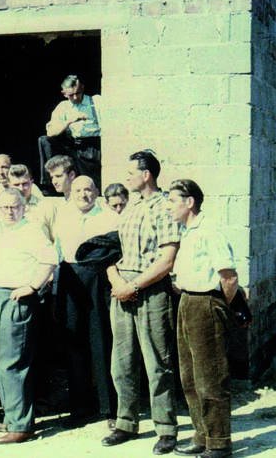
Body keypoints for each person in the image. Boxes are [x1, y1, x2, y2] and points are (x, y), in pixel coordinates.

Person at [102, 150, 181, 455]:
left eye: (131, 172)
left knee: (157, 363)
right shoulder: (130, 209)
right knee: (121, 362)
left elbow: (167, 260)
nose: (127, 177)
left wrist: (133, 285)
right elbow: (111, 250)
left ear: (146, 174)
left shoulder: (164, 208)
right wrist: (117, 282)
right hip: (122, 289)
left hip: (150, 289)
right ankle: (126, 422)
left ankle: (165, 428)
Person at [168, 179, 237, 458]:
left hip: (206, 304)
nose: (168, 208)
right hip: (187, 301)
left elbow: (229, 278)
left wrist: (220, 308)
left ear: (189, 202)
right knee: (189, 377)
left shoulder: (209, 230)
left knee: (210, 377)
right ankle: (202, 435)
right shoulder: (188, 231)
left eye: (172, 201)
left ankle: (219, 442)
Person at [0, 188, 58, 444]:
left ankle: (22, 426)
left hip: (16, 298)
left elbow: (50, 259)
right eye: (4, 207)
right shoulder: (0, 230)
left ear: (24, 207)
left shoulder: (31, 230)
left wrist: (32, 286)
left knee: (13, 361)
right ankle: (12, 415)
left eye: (14, 206)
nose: (9, 211)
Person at [52, 176, 118, 427]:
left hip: (98, 277)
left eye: (88, 190)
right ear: (72, 192)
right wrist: (58, 289)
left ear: (97, 192)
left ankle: (109, 409)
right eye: (78, 190)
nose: (83, 194)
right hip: (70, 276)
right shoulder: (63, 215)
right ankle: (80, 407)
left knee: (102, 342)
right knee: (74, 343)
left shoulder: (109, 217)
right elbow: (58, 253)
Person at [39, 75, 101, 190]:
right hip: (74, 146)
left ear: (82, 88)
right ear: (64, 94)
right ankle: (49, 183)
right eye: (71, 95)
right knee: (44, 141)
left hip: (92, 147)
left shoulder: (96, 101)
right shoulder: (63, 107)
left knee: (91, 183)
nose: (76, 97)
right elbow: (50, 132)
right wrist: (69, 120)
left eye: (78, 93)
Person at [7, 165, 57, 243]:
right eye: (16, 185)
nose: (21, 188)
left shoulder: (46, 207)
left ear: (32, 182)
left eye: (25, 184)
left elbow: (56, 239)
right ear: (9, 185)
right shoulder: (3, 210)